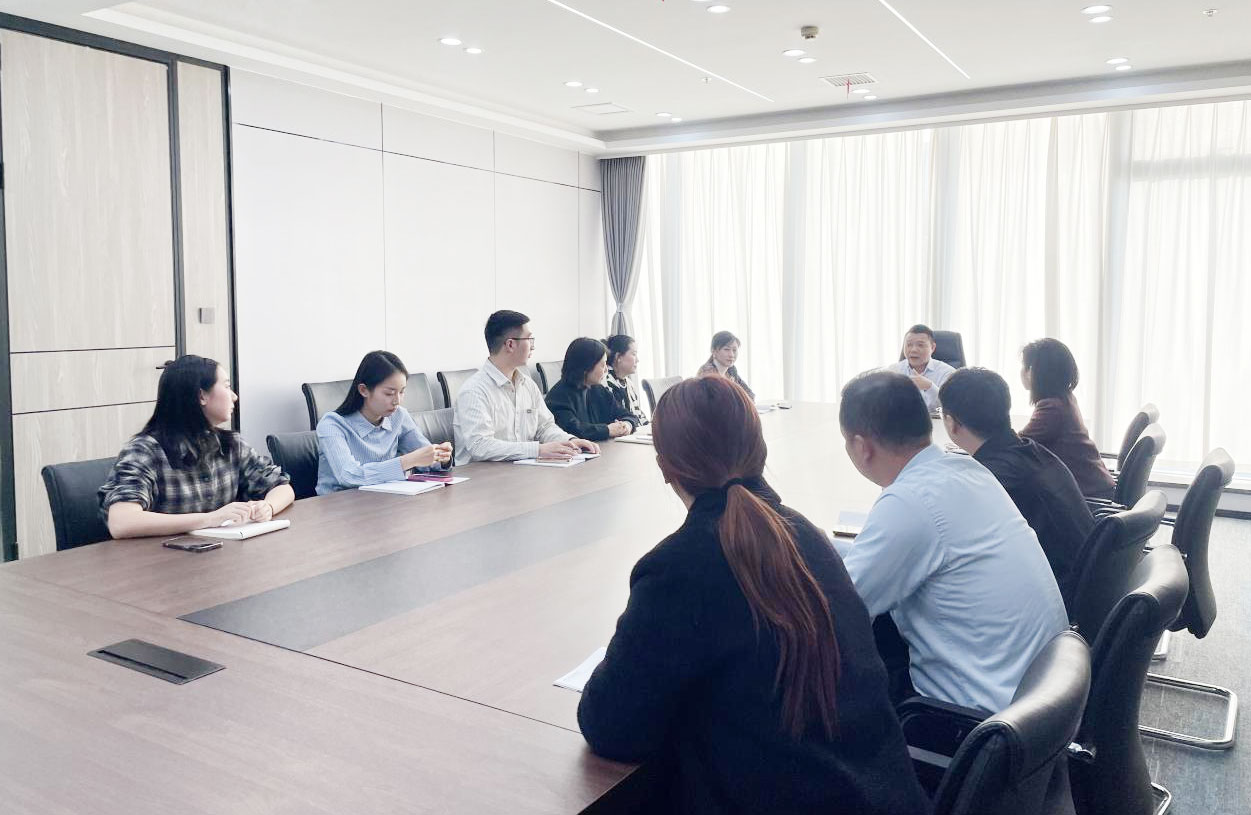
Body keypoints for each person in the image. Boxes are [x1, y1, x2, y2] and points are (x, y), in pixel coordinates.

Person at [578, 376, 928, 815]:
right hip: (884, 796)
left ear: (665, 467)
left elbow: (611, 726)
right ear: (759, 450)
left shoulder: (678, 567)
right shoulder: (806, 536)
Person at [837, 371, 1067, 713]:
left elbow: (837, 611)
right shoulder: (968, 471)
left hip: (976, 720)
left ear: (861, 446)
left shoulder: (909, 502)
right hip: (1045, 696)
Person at [939, 367, 1094, 601]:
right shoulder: (1033, 451)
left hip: (1053, 597)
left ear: (951, 423)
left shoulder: (990, 481)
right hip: (1084, 585)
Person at [99, 355, 294, 538]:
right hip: (162, 558)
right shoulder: (145, 451)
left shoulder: (231, 444)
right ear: (202, 396)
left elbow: (282, 488)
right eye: (227, 387)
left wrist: (267, 506)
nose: (234, 396)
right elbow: (121, 522)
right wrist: (210, 519)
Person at [453, 310, 599, 464]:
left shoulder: (527, 385)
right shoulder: (474, 391)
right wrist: (538, 450)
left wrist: (569, 441)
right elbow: (480, 446)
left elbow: (544, 427)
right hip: (481, 476)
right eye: (529, 339)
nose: (533, 347)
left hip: (521, 471)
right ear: (510, 344)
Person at [315, 351, 453, 494]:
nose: (397, 401)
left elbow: (426, 460)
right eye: (389, 393)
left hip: (383, 499)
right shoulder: (332, 424)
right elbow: (349, 476)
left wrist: (441, 457)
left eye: (402, 392)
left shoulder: (399, 416)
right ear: (364, 390)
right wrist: (407, 461)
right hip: (339, 503)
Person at [1019, 338, 1116, 500]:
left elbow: (1017, 445)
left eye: (1024, 366)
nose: (1022, 372)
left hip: (1088, 497)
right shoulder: (1065, 399)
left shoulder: (1052, 408)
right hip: (1096, 488)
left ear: (1033, 371)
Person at [544, 338, 638, 441]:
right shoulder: (558, 397)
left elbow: (627, 415)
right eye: (603, 365)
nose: (606, 370)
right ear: (587, 366)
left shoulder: (597, 389)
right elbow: (573, 430)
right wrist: (608, 430)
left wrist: (626, 425)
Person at [885, 324, 955, 414]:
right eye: (909, 345)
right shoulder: (893, 371)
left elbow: (951, 406)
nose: (913, 350)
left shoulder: (947, 373)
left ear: (932, 347)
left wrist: (929, 387)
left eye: (920, 345)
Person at [603, 334, 648, 426]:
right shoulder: (605, 383)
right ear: (618, 357)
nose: (637, 360)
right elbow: (615, 420)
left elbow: (639, 416)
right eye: (634, 354)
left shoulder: (629, 384)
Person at [696, 330, 754, 399]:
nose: (731, 355)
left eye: (734, 350)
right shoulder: (707, 372)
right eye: (726, 349)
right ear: (714, 351)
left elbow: (750, 395)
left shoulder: (731, 370)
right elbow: (719, 400)